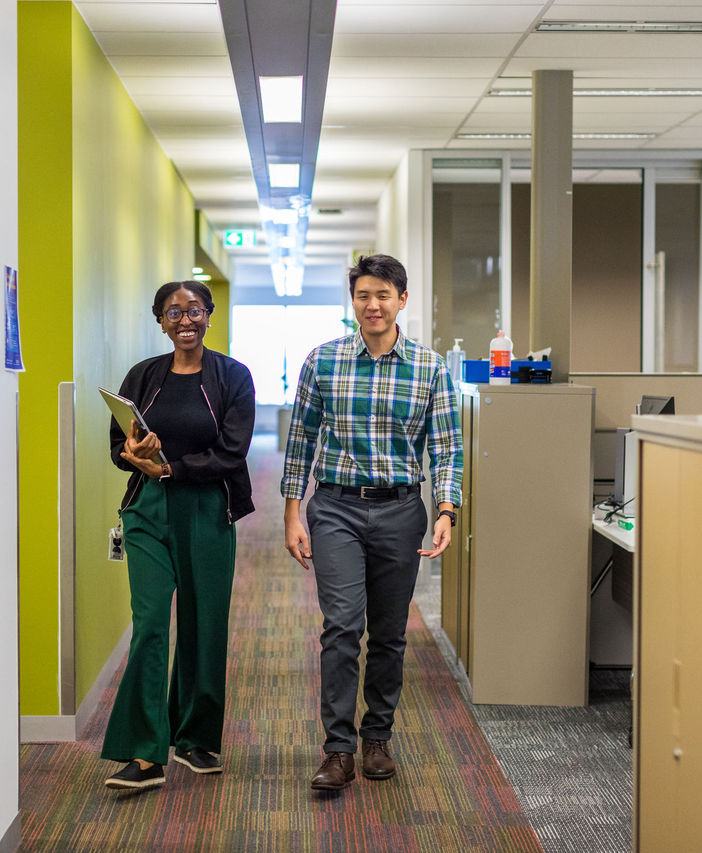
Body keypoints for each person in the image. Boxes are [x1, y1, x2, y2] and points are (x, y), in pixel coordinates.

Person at [281, 254, 463, 791]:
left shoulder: (430, 368)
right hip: (334, 507)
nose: (373, 304)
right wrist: (293, 511)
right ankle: (337, 749)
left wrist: (447, 509)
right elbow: (300, 441)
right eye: (363, 295)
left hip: (401, 511)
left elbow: (447, 449)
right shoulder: (323, 361)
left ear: (402, 300)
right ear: (353, 301)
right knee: (341, 626)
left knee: (388, 633)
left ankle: (376, 736)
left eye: (383, 294)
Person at [101, 280, 255, 790]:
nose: (185, 319)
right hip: (147, 509)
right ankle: (145, 752)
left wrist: (172, 469)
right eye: (173, 312)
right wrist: (134, 455)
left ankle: (196, 737)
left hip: (209, 507)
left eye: (194, 310)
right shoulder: (143, 376)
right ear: (160, 321)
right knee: (149, 623)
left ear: (210, 315)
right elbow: (116, 442)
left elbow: (232, 452)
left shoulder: (233, 377)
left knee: (202, 622)